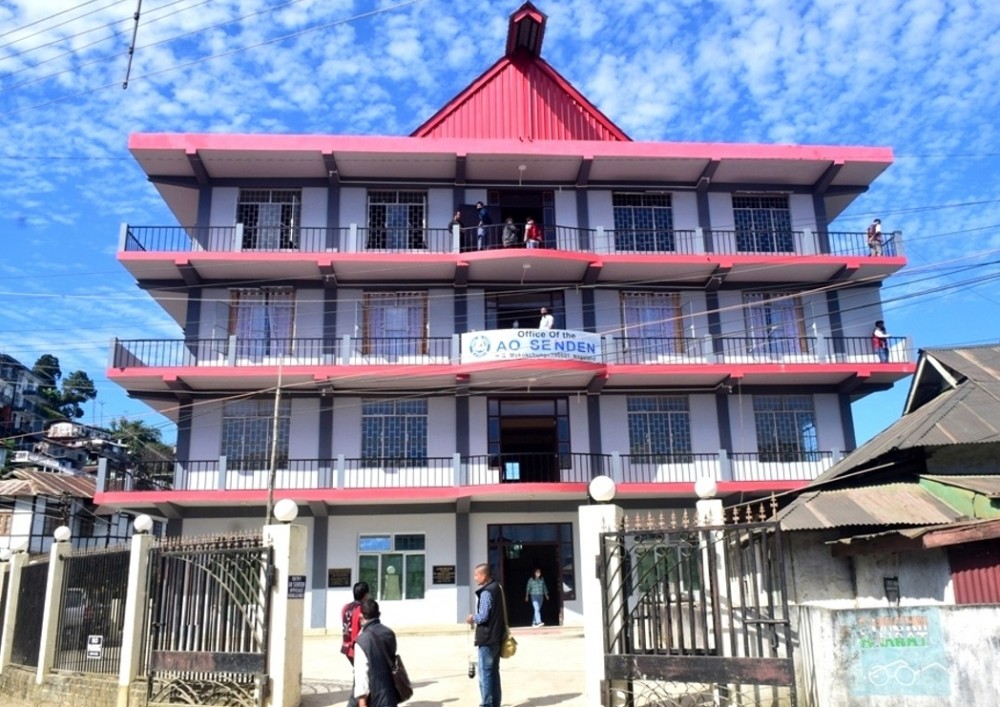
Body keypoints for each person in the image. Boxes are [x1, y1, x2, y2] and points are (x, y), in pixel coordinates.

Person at [466, 563, 504, 707]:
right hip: (497, 637)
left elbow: (483, 616)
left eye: (477, 575)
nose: (475, 578)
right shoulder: (497, 588)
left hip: (487, 638)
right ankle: (496, 702)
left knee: (485, 674)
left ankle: (487, 704)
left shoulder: (486, 592)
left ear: (484, 575)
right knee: (494, 672)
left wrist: (471, 618)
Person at [352, 598, 400, 707]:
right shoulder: (389, 633)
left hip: (374, 698)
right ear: (379, 614)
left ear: (361, 616)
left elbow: (361, 674)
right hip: (390, 694)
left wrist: (362, 702)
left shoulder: (361, 640)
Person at [341, 581, 370, 664]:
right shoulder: (362, 609)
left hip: (346, 647)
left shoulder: (345, 607)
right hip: (357, 647)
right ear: (366, 595)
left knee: (357, 672)